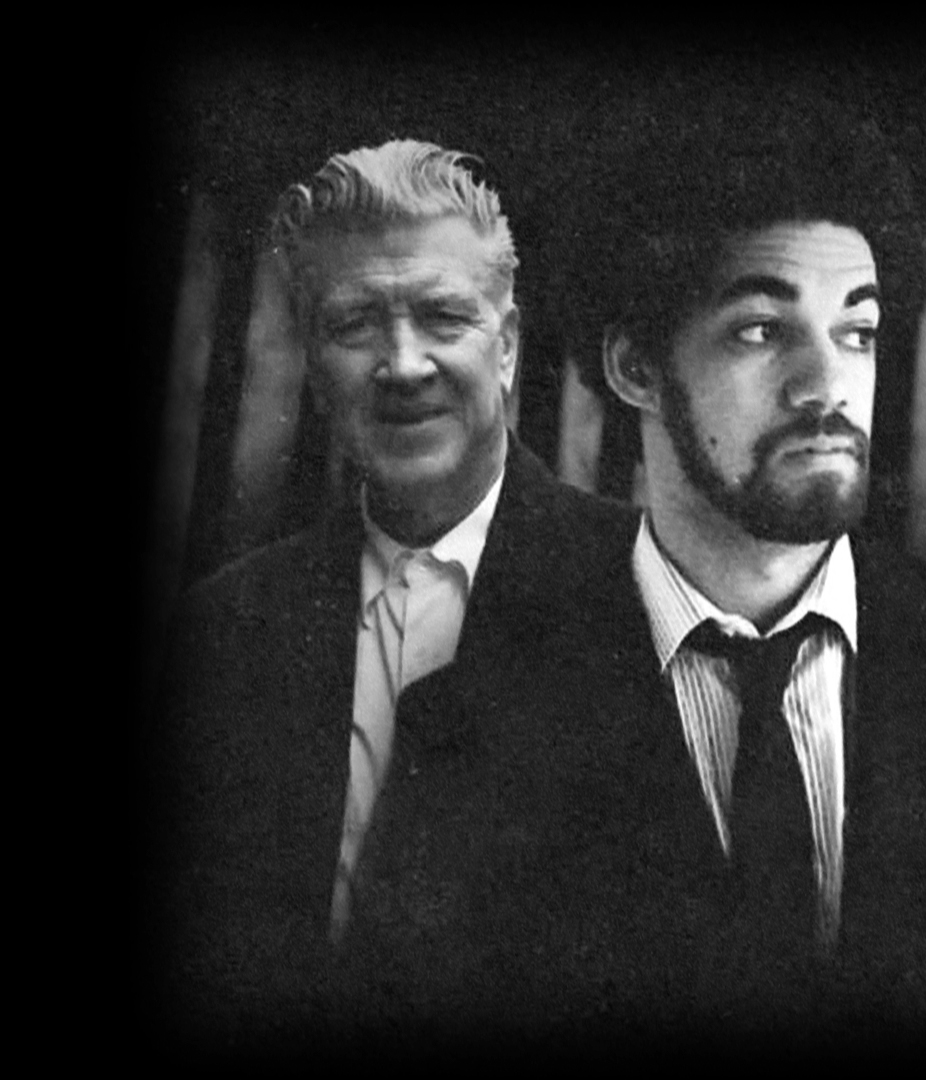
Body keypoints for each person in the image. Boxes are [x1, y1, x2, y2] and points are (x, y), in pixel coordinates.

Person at [151, 140, 631, 1047]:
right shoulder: (224, 632)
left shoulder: (647, 597)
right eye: (355, 324)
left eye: (443, 317)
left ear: (508, 347)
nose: (403, 364)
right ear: (312, 366)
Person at [549, 118, 926, 1039]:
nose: (829, 383)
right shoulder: (484, 705)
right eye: (763, 330)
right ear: (635, 367)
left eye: (859, 331)